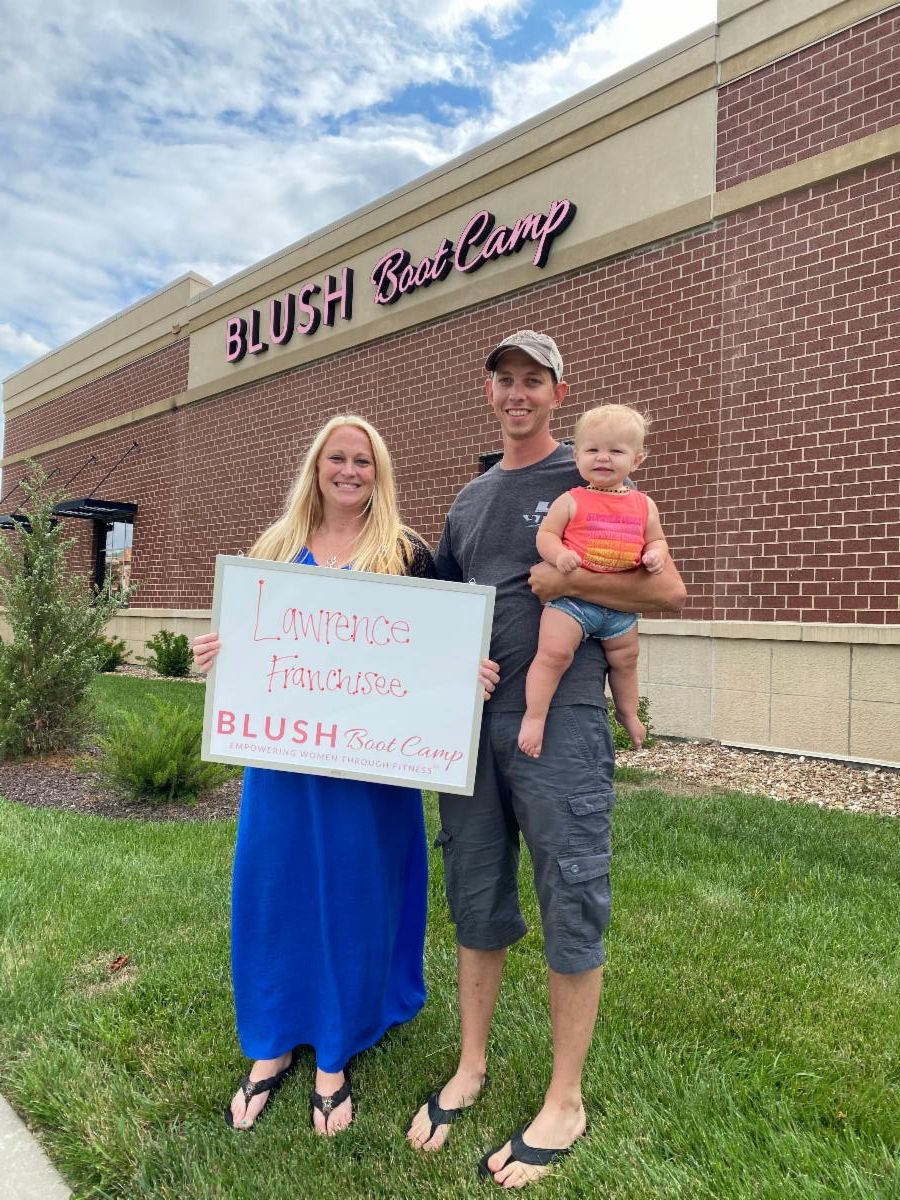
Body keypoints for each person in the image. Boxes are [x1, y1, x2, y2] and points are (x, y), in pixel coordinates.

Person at [406, 331, 686, 1187]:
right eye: (506, 379)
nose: (518, 392)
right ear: (489, 392)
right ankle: (472, 1065)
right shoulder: (470, 497)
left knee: (571, 888)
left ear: (559, 394)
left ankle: (565, 1099)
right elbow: (444, 606)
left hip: (560, 717)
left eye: (535, 379)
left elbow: (665, 590)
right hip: (470, 724)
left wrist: (568, 584)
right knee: (475, 886)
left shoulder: (595, 478)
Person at [193, 414, 497, 1138]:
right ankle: (271, 1040)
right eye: (338, 458)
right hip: (284, 764)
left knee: (357, 892)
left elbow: (441, 647)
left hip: (373, 768)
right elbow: (250, 642)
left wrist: (467, 674)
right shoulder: (273, 549)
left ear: (379, 472)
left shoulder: (407, 555)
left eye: (364, 460)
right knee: (277, 888)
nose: (350, 471)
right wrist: (216, 656)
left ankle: (335, 1048)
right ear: (317, 466)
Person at [518, 403, 668, 758]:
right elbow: (545, 536)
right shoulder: (571, 500)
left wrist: (656, 555)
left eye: (616, 451)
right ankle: (534, 717)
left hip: (619, 608)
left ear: (636, 460)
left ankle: (628, 713)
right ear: (577, 456)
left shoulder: (644, 505)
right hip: (572, 604)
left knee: (627, 659)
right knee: (554, 654)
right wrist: (559, 555)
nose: (603, 457)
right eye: (592, 449)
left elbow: (657, 539)